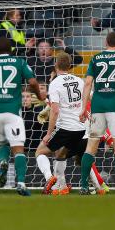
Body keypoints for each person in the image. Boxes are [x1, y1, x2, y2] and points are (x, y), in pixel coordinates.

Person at [0, 37, 45, 196]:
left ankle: (3, 162)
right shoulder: (19, 61)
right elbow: (32, 82)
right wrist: (39, 95)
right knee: (18, 149)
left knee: (2, 143)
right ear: (11, 50)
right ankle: (20, 183)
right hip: (13, 111)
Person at [79, 31, 115, 195]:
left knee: (91, 147)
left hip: (97, 107)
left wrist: (83, 108)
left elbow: (88, 82)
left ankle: (83, 186)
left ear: (105, 43)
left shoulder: (96, 58)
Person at [35, 53, 90, 195]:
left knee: (40, 152)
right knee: (61, 153)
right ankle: (61, 186)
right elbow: (87, 100)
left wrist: (48, 134)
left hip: (66, 127)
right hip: (81, 129)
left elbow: (54, 111)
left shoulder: (55, 83)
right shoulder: (80, 81)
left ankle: (49, 178)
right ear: (70, 66)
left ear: (56, 65)